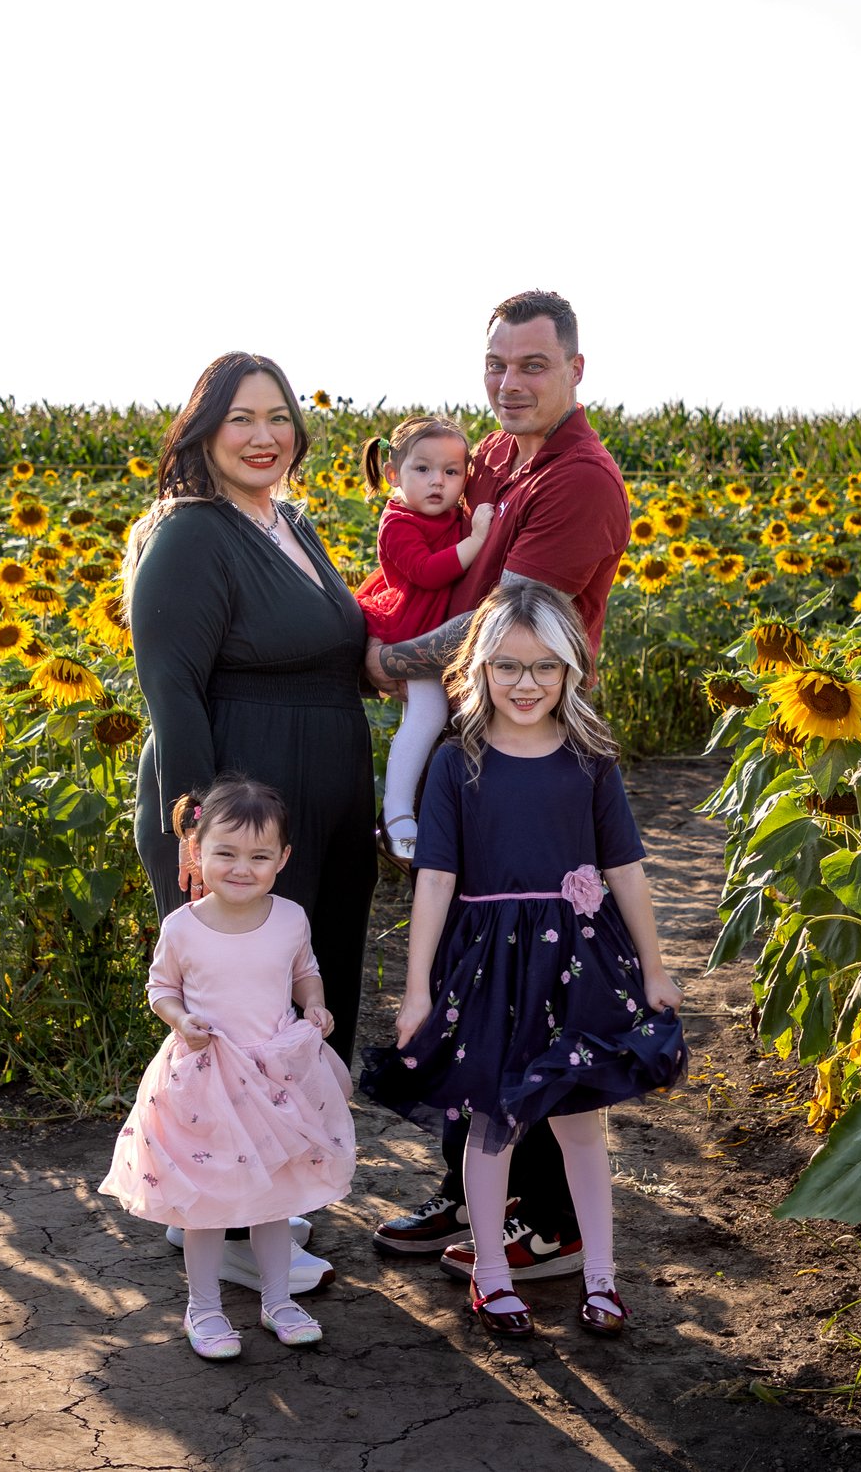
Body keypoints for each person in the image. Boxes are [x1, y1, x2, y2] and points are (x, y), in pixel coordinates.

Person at [363, 290, 632, 1284]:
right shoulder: (499, 454)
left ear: (575, 369)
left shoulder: (581, 482)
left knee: (541, 982)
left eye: (531, 365)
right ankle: (470, 1185)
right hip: (474, 746)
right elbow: (421, 513)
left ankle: (552, 1221)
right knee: (471, 979)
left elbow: (499, 629)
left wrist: (377, 658)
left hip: (532, 756)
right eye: (496, 365)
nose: (509, 383)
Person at [361, 582, 687, 1337]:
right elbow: (436, 879)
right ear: (479, 668)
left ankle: (601, 1276)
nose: (526, 684)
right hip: (486, 965)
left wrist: (656, 966)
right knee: (492, 1122)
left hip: (579, 960)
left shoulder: (590, 758)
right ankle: (493, 1274)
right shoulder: (458, 762)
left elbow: (627, 871)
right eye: (508, 667)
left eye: (545, 667)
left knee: (581, 1122)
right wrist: (417, 990)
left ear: (571, 669)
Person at [128, 351, 378, 1297]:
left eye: (279, 416)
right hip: (237, 810)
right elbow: (172, 689)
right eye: (241, 418)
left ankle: (262, 1196)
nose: (265, 434)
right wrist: (199, 826)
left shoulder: (292, 524)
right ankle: (227, 1224)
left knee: (298, 997)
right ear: (202, 432)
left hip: (317, 801)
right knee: (235, 1016)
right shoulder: (191, 536)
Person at [99, 779, 356, 1359]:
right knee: (207, 1204)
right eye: (226, 853)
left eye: (260, 857)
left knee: (275, 1197)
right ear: (196, 852)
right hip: (206, 1079)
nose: (243, 868)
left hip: (274, 1078)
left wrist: (313, 1002)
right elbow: (160, 987)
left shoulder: (289, 918)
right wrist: (180, 1020)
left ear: (283, 859)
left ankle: (277, 1300)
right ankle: (205, 1308)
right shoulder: (183, 926)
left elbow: (304, 969)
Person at [352, 415, 495, 861]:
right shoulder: (397, 522)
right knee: (428, 713)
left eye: (452, 472)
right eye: (423, 469)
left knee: (436, 719)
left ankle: (414, 808)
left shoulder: (452, 514)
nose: (438, 482)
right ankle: (395, 814)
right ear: (394, 474)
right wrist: (478, 539)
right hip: (411, 626)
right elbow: (428, 572)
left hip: (435, 625)